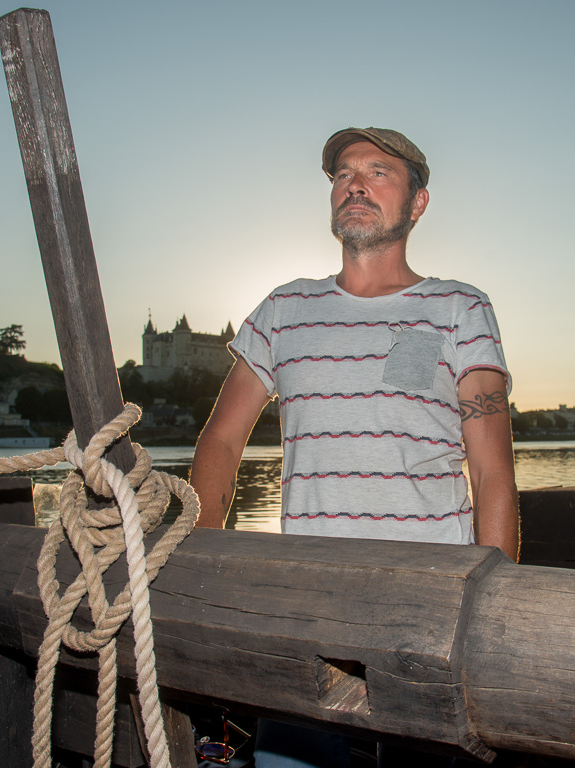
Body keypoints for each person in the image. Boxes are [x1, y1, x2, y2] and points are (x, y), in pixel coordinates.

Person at [189, 127, 519, 768]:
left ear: (418, 203)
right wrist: (199, 560)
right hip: (305, 609)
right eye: (343, 173)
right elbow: (222, 442)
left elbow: (492, 471)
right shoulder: (283, 310)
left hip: (425, 611)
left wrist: (492, 616)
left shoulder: (459, 309)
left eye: (377, 171)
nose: (355, 184)